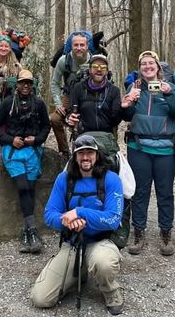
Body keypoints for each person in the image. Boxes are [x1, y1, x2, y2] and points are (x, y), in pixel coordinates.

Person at [31, 134, 124, 315]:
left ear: (97, 155)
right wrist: (67, 221)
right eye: (81, 153)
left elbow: (113, 219)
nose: (85, 157)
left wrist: (80, 213)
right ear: (74, 156)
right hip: (72, 243)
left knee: (103, 263)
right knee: (40, 298)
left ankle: (111, 291)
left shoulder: (111, 179)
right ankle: (79, 272)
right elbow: (49, 215)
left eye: (90, 152)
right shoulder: (64, 179)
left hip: (99, 242)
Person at [121, 50, 175, 256]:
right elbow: (126, 116)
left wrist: (169, 94)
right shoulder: (135, 86)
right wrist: (129, 102)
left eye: (151, 64)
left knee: (165, 192)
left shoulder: (171, 87)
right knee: (140, 191)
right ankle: (138, 232)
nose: (148, 67)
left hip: (166, 149)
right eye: (144, 64)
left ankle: (166, 233)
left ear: (158, 67)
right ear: (140, 69)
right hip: (138, 147)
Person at [0, 69, 50, 254]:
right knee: (23, 187)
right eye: (22, 82)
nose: (25, 86)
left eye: (28, 83)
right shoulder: (8, 103)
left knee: (31, 189)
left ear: (32, 85)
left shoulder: (38, 103)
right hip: (13, 150)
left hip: (32, 150)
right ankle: (32, 230)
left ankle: (28, 232)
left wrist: (37, 139)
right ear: (16, 84)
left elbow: (46, 126)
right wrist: (10, 139)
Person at [66, 54, 122, 155]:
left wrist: (122, 108)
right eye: (95, 67)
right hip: (83, 136)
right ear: (90, 69)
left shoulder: (114, 91)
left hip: (106, 137)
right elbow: (70, 111)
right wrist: (70, 118)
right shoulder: (78, 88)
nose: (99, 70)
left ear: (107, 71)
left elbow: (116, 120)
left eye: (103, 67)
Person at [50, 32, 91, 158]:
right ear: (71, 46)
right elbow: (55, 83)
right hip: (68, 96)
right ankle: (65, 152)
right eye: (76, 45)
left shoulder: (94, 60)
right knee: (55, 119)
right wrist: (58, 104)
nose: (79, 48)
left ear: (87, 46)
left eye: (82, 45)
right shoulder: (64, 61)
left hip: (88, 96)